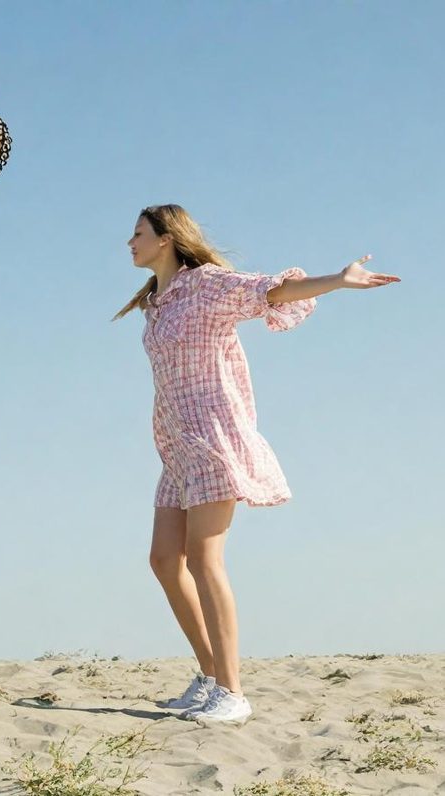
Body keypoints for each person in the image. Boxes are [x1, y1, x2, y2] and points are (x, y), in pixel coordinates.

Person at [116, 204, 399, 725]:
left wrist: (337, 280)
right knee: (164, 560)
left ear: (166, 238)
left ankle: (232, 692)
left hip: (213, 437)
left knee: (204, 561)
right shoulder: (156, 302)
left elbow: (270, 291)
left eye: (138, 233)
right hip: (176, 448)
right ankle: (209, 678)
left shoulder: (205, 285)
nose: (129, 243)